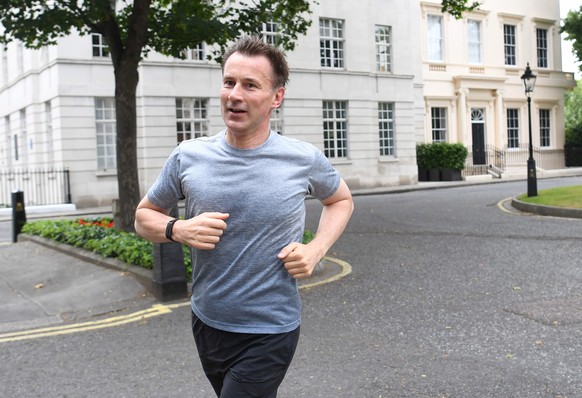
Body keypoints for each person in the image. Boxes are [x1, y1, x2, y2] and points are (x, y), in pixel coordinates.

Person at [134, 36, 354, 397]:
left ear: (276, 97)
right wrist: (179, 228)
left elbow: (341, 199)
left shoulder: (302, 158)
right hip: (207, 320)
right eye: (228, 82)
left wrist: (316, 250)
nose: (235, 94)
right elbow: (144, 216)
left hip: (271, 328)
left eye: (250, 85)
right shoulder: (189, 156)